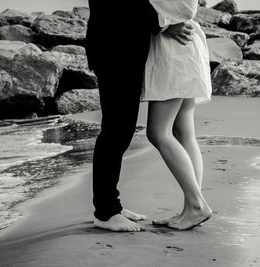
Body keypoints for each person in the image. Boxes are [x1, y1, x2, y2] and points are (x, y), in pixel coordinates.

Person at [85, 0, 196, 232]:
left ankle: (111, 204)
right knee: (116, 131)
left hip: (120, 47)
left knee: (119, 131)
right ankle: (105, 212)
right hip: (115, 48)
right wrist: (165, 25)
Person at [142, 0, 212, 230]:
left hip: (175, 51)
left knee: (158, 132)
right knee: (184, 133)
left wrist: (163, 25)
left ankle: (196, 205)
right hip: (180, 48)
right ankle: (192, 208)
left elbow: (185, 7)